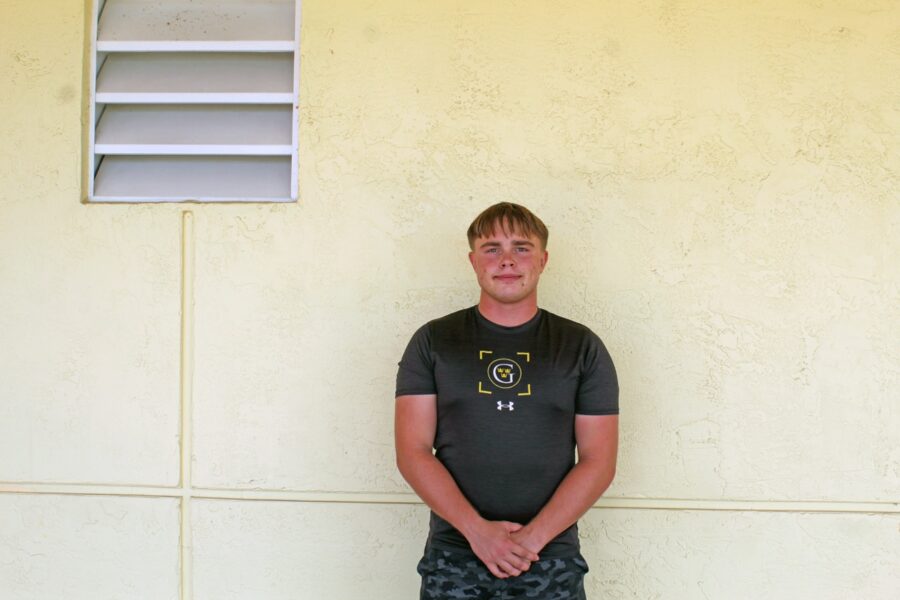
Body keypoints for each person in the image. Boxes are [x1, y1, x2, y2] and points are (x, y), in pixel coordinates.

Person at [395, 202, 619, 599]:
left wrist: (531, 541)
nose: (507, 261)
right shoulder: (434, 341)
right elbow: (413, 451)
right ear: (473, 260)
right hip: (455, 558)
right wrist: (479, 533)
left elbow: (598, 461)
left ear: (544, 259)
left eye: (522, 247)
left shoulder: (580, 346)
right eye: (492, 248)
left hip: (550, 561)